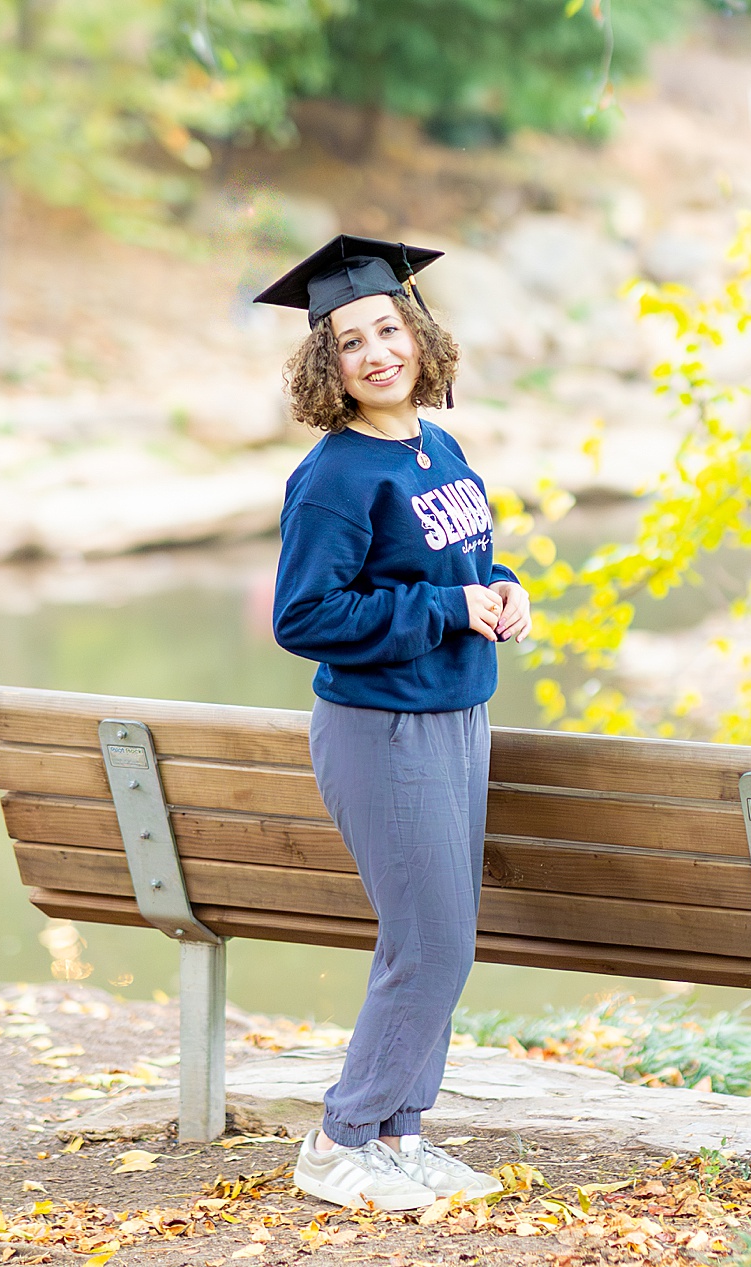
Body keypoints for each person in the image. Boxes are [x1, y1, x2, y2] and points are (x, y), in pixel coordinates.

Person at [259, 235, 529, 1211]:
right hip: (385, 728)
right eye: (347, 343)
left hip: (456, 714)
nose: (374, 353)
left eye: (385, 329)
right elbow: (305, 617)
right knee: (432, 943)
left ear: (416, 332)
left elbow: (456, 569)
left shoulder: (437, 445)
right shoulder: (335, 476)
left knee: (436, 935)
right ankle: (340, 1136)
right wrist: (445, 613)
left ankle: (398, 1137)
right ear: (324, 367)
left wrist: (498, 591)